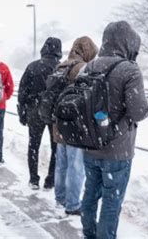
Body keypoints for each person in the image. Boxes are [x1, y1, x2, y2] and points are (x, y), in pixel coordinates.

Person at [80, 21, 148, 239]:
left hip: (90, 145)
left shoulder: (88, 67)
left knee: (90, 195)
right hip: (118, 151)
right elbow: (138, 112)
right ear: (127, 43)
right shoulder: (129, 69)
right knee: (112, 201)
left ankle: (89, 234)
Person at [49, 36, 98, 216]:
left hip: (58, 123)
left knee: (61, 163)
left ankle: (60, 198)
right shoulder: (82, 68)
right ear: (87, 52)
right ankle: (73, 204)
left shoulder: (61, 65)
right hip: (75, 125)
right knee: (76, 165)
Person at [17, 37, 62, 190]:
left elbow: (22, 91)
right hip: (54, 113)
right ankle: (50, 180)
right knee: (55, 147)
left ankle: (34, 179)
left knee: (33, 145)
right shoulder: (61, 68)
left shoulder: (32, 67)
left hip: (34, 110)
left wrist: (22, 112)